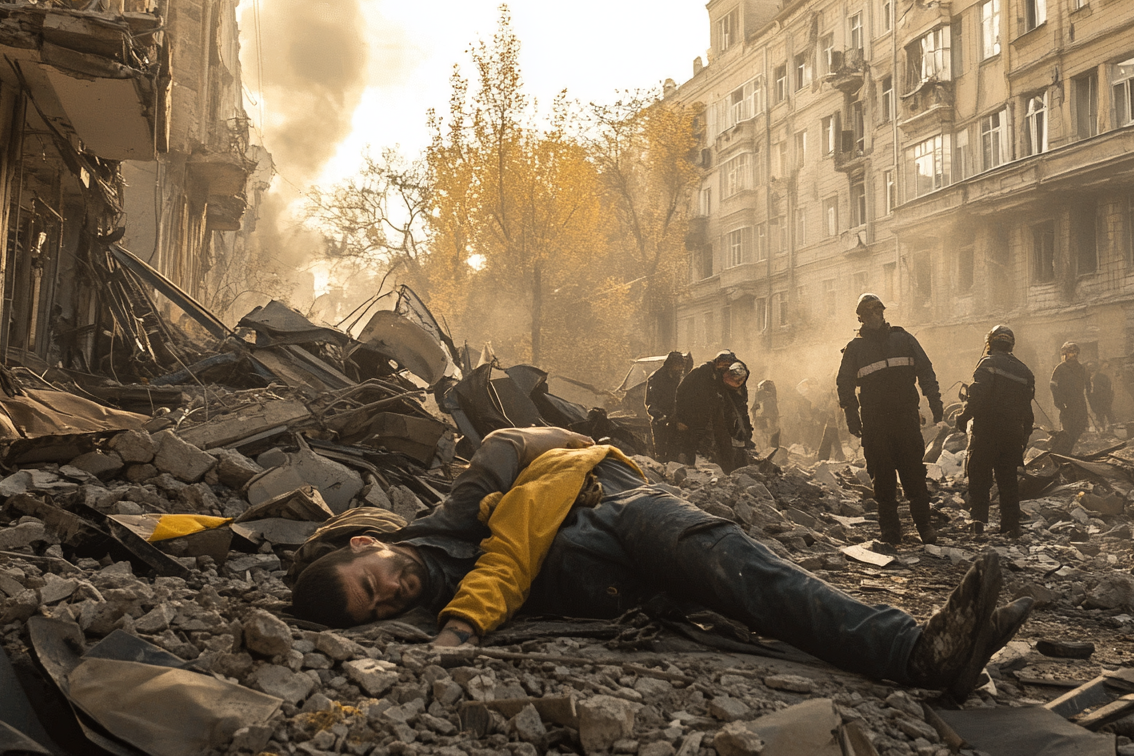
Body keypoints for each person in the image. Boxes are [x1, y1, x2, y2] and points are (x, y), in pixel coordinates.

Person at [288, 427, 1034, 702]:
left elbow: (515, 510)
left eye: (371, 583)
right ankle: (937, 651)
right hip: (607, 577)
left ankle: (917, 648)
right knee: (747, 598)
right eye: (378, 611)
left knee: (738, 568)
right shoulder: (432, 596)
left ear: (366, 546)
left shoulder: (460, 508)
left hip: (618, 506)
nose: (389, 596)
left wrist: (458, 632)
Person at [836, 293, 945, 546]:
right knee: (883, 480)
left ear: (883, 313)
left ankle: (925, 528)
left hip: (905, 419)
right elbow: (844, 384)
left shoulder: (904, 339)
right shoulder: (855, 349)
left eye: (878, 311)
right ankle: (891, 534)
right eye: (870, 312)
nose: (875, 316)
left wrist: (936, 405)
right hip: (875, 424)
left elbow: (926, 371)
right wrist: (852, 416)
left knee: (914, 475)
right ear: (860, 317)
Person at [957, 325, 1036, 537]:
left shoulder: (987, 363)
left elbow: (977, 396)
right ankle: (1010, 525)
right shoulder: (1024, 371)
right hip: (1012, 434)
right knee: (1008, 480)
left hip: (986, 431)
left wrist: (962, 417)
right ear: (1011, 344)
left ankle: (978, 521)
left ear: (990, 343)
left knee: (979, 477)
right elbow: (1027, 408)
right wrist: (1025, 435)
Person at [671, 350, 737, 464]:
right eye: (724, 364)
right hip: (693, 414)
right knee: (691, 443)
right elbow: (681, 391)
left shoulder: (718, 374)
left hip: (706, 415)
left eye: (728, 365)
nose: (725, 367)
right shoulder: (703, 371)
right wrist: (680, 417)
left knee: (720, 441)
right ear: (717, 362)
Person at [710, 361, 754, 471]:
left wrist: (746, 429)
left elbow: (743, 410)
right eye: (736, 379)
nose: (739, 382)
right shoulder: (718, 390)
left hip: (737, 429)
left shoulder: (741, 390)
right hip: (722, 430)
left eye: (741, 380)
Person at [645, 352, 689, 462]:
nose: (679, 368)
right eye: (677, 365)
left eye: (681, 365)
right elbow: (650, 403)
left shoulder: (681, 378)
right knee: (661, 453)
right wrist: (664, 417)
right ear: (670, 365)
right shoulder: (656, 379)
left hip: (677, 419)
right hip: (661, 420)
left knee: (676, 452)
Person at [1050, 342, 1090, 454]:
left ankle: (1074, 453)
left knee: (1080, 428)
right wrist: (1059, 402)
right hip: (1066, 404)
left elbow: (1088, 385)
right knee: (1068, 431)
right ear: (1065, 354)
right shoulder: (1060, 369)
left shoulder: (1082, 369)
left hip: (1080, 403)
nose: (1074, 354)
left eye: (1075, 352)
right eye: (1071, 352)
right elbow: (1053, 386)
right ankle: (1065, 453)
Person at [751, 379, 781, 449]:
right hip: (762, 421)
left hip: (767, 421)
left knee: (768, 440)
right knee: (763, 439)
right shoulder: (763, 397)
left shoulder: (769, 399)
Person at [1088, 361, 1115, 428]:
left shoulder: (1102, 377)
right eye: (1090, 368)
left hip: (1104, 400)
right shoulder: (1088, 379)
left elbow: (1110, 389)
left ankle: (1113, 428)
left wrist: (1109, 399)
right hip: (1095, 401)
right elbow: (1089, 392)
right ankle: (1102, 430)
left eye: (1092, 367)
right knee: (1099, 417)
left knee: (1109, 415)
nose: (1091, 369)